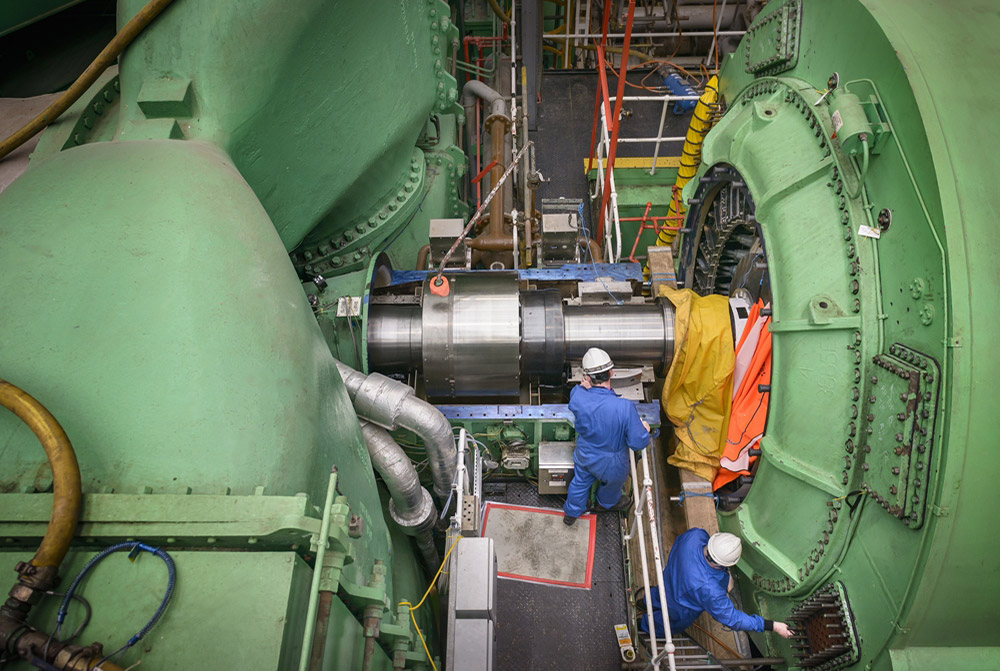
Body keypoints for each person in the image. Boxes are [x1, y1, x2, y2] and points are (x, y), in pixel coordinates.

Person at [640, 528, 794, 639]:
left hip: (667, 581)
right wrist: (773, 625)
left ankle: (644, 603)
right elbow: (733, 619)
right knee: (667, 622)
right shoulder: (710, 589)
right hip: (681, 608)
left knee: (656, 596)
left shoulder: (695, 535)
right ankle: (643, 626)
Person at [563, 348, 651, 526]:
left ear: (587, 377)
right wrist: (645, 430)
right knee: (613, 485)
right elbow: (637, 443)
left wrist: (584, 387)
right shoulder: (624, 407)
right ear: (611, 372)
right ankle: (604, 504)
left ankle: (571, 514)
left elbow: (577, 392)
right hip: (613, 463)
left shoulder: (578, 397)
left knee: (579, 483)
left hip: (585, 454)